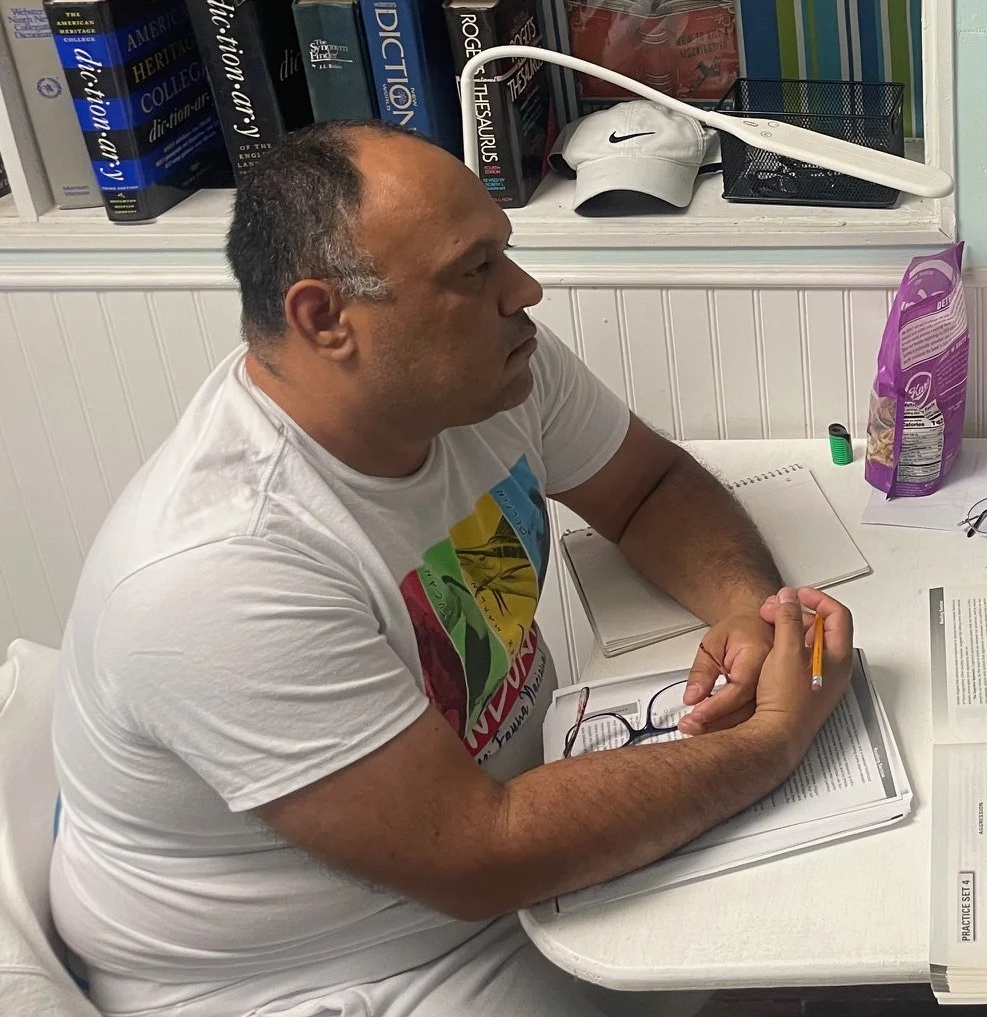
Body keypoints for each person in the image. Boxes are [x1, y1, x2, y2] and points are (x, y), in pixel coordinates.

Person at [49, 121, 855, 1017]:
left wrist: (746, 609)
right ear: (326, 320)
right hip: (326, 966)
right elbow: (479, 855)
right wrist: (771, 739)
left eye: (505, 255)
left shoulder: (485, 373)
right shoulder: (215, 574)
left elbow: (648, 486)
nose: (526, 291)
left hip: (495, 834)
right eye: (474, 272)